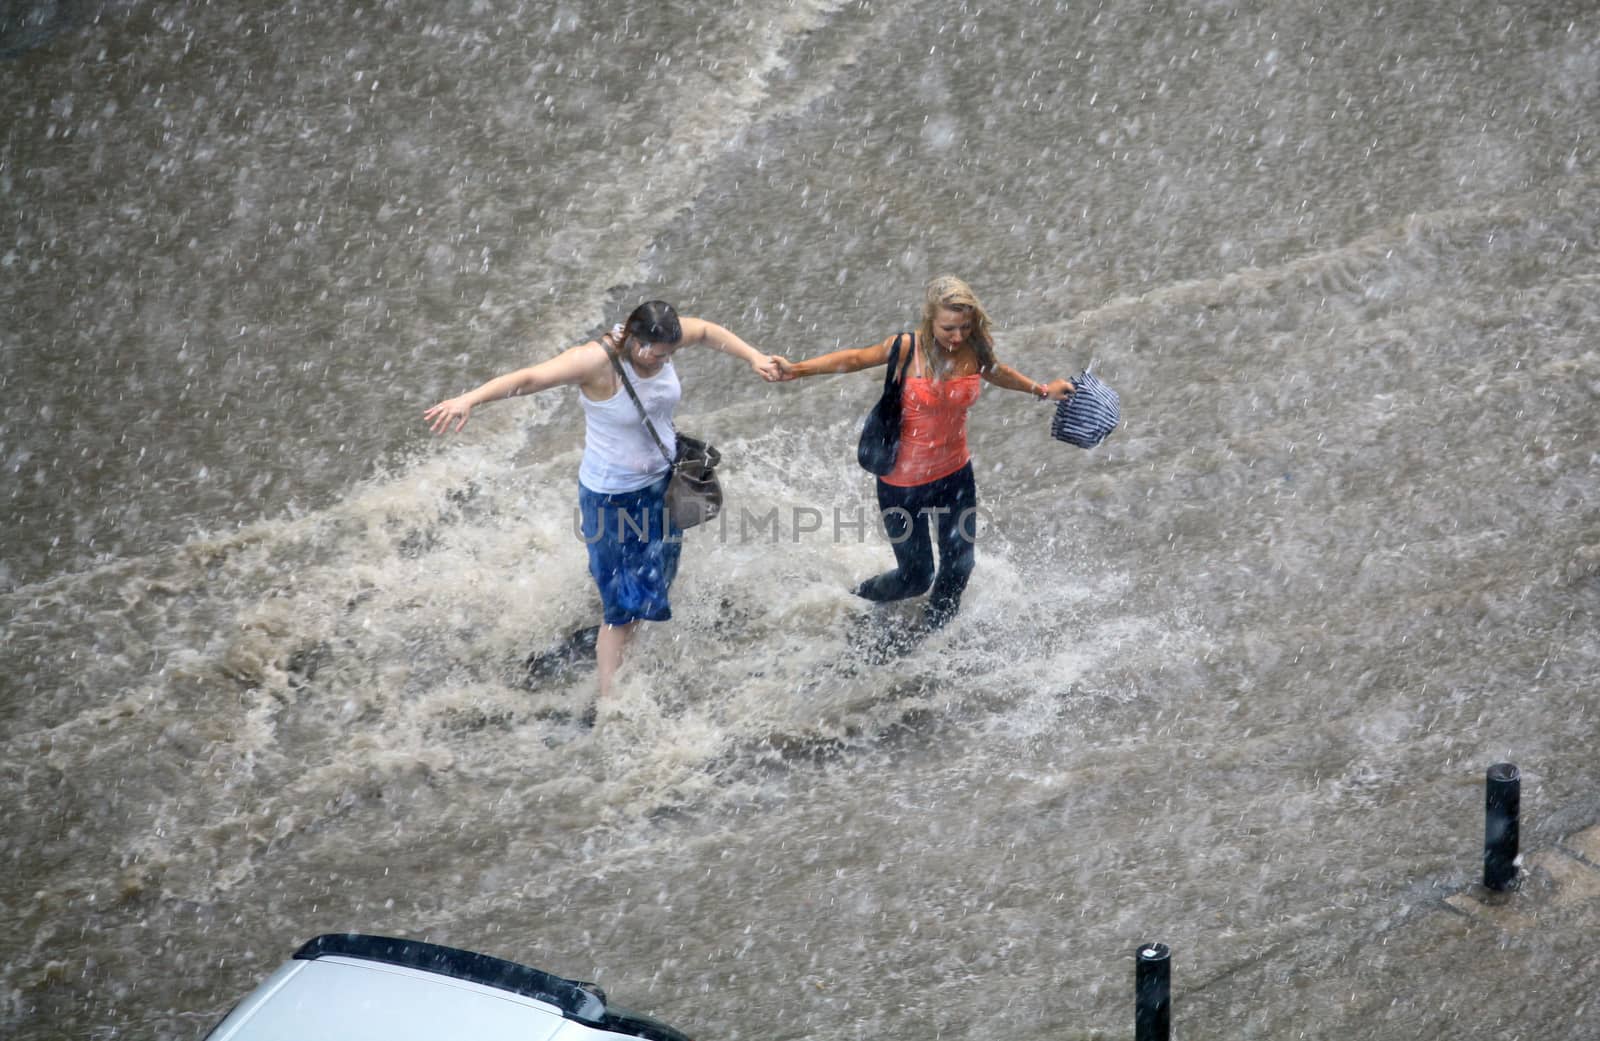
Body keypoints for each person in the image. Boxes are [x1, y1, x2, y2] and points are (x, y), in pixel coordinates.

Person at [425, 301, 781, 702]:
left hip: (661, 485)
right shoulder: (594, 362)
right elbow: (529, 378)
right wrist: (470, 399)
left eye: (666, 356)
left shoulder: (669, 337)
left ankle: (611, 611)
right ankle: (611, 701)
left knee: (658, 579)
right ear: (631, 337)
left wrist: (753, 357)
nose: (657, 361)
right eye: (651, 352)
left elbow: (708, 331)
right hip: (611, 497)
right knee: (623, 611)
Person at [773, 275, 1075, 636]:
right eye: (949, 328)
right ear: (930, 319)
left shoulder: (975, 347)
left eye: (965, 327)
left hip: (955, 478)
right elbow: (854, 358)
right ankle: (853, 601)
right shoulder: (906, 348)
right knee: (916, 577)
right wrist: (797, 369)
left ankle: (930, 639)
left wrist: (1042, 390)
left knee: (959, 568)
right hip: (902, 486)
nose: (957, 336)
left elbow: (995, 371)